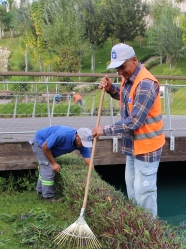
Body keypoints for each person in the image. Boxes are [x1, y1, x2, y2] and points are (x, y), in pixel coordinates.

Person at [92, 43, 164, 217]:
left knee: (144, 194)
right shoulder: (130, 77)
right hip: (133, 146)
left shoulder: (146, 83)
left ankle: (149, 236)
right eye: (117, 69)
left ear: (134, 60)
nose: (119, 73)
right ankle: (138, 228)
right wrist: (111, 90)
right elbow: (127, 100)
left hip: (147, 147)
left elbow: (134, 122)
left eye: (122, 67)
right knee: (132, 190)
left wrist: (105, 130)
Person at [30, 126, 93, 201]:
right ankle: (49, 197)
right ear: (77, 136)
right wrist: (54, 163)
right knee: (49, 169)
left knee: (45, 169)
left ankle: (40, 192)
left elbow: (88, 160)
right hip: (40, 143)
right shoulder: (62, 135)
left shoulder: (83, 143)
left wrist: (91, 173)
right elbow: (45, 147)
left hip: (48, 146)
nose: (83, 145)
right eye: (82, 142)